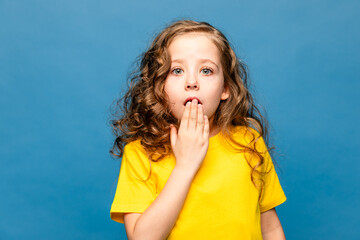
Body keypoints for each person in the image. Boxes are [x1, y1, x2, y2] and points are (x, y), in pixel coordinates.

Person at [109, 19, 287, 240]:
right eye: (176, 70)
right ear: (159, 87)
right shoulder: (140, 153)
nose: (191, 81)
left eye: (206, 70)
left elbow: (270, 228)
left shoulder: (249, 142)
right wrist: (185, 166)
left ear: (225, 88)